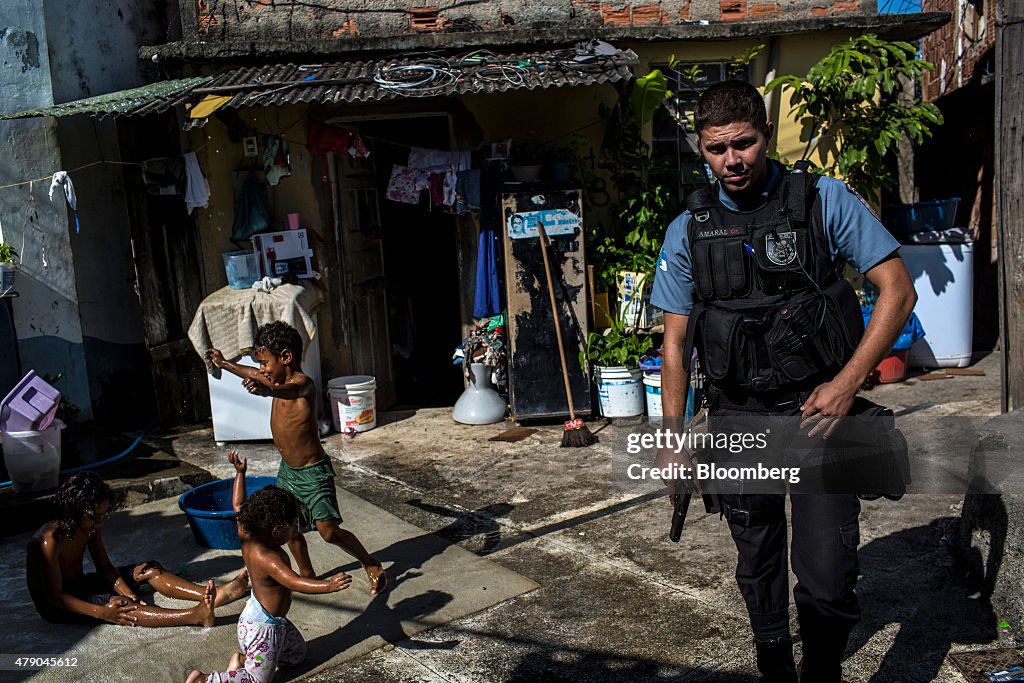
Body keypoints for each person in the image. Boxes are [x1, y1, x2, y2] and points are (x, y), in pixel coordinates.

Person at [650, 80, 917, 682]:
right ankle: (775, 666)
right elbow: (673, 344)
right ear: (701, 148)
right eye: (716, 149)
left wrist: (848, 383)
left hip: (815, 415)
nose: (732, 160)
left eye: (743, 144)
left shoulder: (822, 201)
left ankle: (823, 671)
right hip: (738, 417)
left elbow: (897, 291)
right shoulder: (687, 230)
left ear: (766, 136)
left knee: (827, 573)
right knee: (758, 562)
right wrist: (672, 438)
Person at [205, 321, 386, 596]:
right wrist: (224, 363)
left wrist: (267, 390)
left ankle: (370, 562)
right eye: (261, 365)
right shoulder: (274, 380)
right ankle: (306, 572)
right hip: (288, 471)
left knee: (328, 532)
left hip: (313, 472)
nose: (263, 370)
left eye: (266, 363)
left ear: (286, 357)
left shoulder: (303, 384)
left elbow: (291, 389)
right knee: (290, 528)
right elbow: (250, 371)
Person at [187, 451, 351, 683]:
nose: (295, 530)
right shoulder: (270, 558)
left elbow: (238, 503)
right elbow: (295, 582)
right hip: (263, 630)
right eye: (292, 526)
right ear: (276, 531)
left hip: (265, 619)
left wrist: (240, 474)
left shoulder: (247, 533)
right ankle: (205, 679)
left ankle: (244, 662)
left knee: (297, 655)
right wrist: (328, 585)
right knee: (257, 681)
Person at [26, 471, 250, 627]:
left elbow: (104, 567)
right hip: (57, 605)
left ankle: (210, 594)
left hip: (79, 584)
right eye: (95, 516)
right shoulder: (49, 541)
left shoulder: (90, 524)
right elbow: (55, 597)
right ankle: (194, 615)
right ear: (75, 511)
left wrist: (131, 593)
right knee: (120, 607)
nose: (100, 522)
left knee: (148, 569)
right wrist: (102, 611)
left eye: (104, 515)